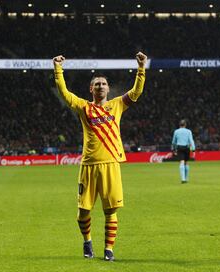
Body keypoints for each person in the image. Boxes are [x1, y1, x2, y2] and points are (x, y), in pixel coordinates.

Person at [53, 52, 147, 261]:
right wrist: (58, 70)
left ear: (108, 88)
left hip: (111, 164)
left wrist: (141, 68)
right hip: (88, 166)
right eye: (97, 84)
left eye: (104, 84)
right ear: (91, 89)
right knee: (83, 211)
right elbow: (65, 93)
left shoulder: (117, 105)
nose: (101, 86)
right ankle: (87, 242)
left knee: (110, 210)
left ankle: (109, 250)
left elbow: (136, 92)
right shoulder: (83, 107)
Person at [171, 119, 196, 183]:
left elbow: (174, 141)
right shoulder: (188, 131)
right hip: (187, 148)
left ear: (179, 125)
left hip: (179, 147)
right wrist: (193, 149)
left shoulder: (176, 131)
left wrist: (173, 149)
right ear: (185, 125)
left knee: (181, 162)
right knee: (186, 162)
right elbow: (191, 140)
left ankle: (183, 179)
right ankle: (186, 178)